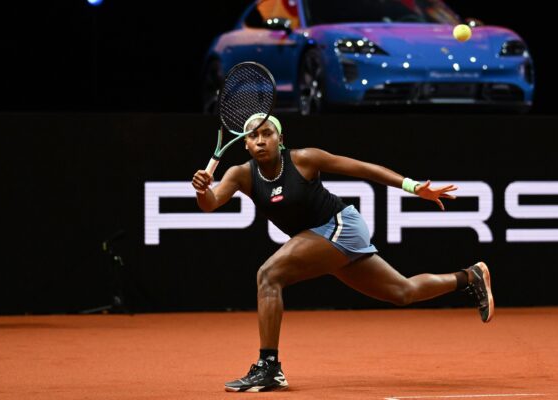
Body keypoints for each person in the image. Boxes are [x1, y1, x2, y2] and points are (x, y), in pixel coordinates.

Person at [192, 114, 494, 392]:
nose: (260, 140)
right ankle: (470, 277)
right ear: (244, 143)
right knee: (403, 291)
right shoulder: (240, 175)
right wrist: (202, 189)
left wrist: (413, 187)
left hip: (340, 226)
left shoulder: (304, 159)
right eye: (253, 136)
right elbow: (210, 203)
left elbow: (362, 168)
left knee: (269, 275)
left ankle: (269, 367)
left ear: (280, 139)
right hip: (318, 240)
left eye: (267, 133)